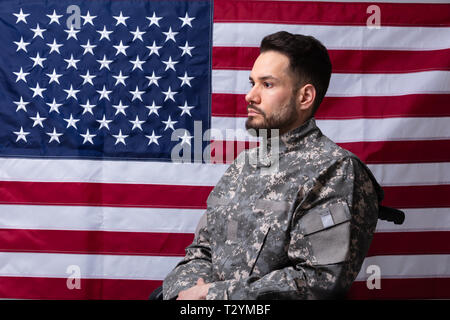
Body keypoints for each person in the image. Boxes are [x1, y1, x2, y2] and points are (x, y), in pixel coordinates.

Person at [162, 31, 384, 300]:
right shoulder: (244, 165)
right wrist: (183, 295)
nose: (250, 96)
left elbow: (318, 281)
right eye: (252, 82)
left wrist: (215, 297)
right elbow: (201, 251)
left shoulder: (335, 171)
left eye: (267, 84)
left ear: (305, 97)